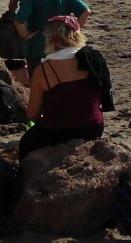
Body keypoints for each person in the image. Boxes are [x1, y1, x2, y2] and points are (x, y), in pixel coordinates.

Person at [18, 16, 105, 159]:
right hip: (93, 127)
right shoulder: (93, 59)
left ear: (49, 38)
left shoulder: (44, 69)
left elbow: (32, 114)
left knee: (26, 144)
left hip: (57, 129)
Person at [9, 0, 90, 69]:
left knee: (38, 81)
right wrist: (75, 30)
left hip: (38, 48)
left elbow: (19, 21)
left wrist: (26, 36)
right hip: (62, 46)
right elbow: (85, 12)